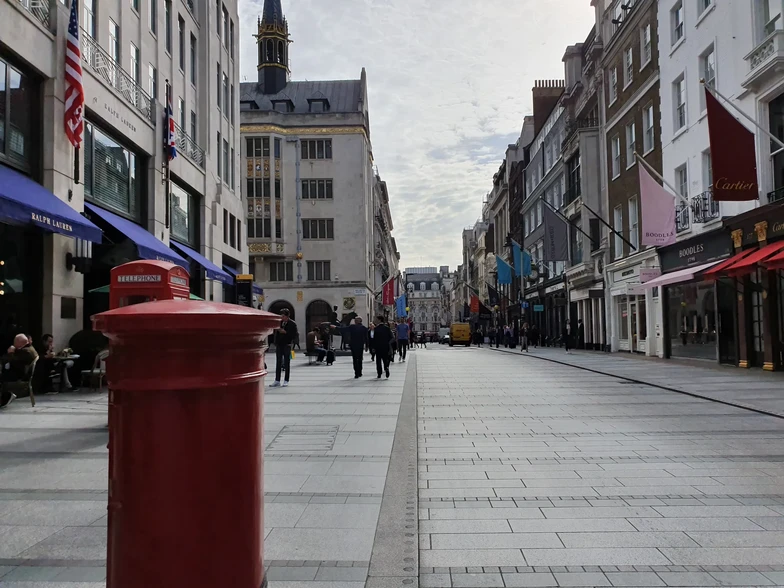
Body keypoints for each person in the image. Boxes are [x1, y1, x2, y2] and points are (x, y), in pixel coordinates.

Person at [1, 334, 39, 408]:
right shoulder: (29, 348)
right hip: (21, 374)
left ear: (18, 342)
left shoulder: (25, 351)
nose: (13, 344)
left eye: (14, 342)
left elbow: (13, 361)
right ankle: (6, 397)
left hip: (20, 376)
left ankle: (5, 398)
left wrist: (10, 353)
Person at [270, 309, 298, 388]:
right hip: (279, 344)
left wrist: (285, 332)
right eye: (281, 316)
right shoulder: (280, 323)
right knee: (278, 362)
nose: (282, 317)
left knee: (286, 363)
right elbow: (276, 333)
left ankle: (286, 380)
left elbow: (294, 335)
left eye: (283, 316)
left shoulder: (292, 324)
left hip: (287, 345)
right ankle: (277, 380)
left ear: (287, 316)